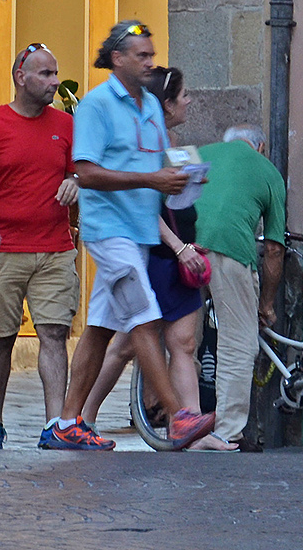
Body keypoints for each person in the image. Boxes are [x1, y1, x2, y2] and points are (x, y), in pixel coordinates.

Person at [47, 21, 215, 451]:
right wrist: (154, 179)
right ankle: (178, 416)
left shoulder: (151, 107)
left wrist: (186, 174)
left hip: (139, 233)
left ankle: (68, 422)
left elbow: (160, 159)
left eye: (151, 55)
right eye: (141, 56)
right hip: (111, 232)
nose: (149, 62)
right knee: (143, 316)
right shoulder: (97, 106)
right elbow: (85, 173)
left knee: (101, 328)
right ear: (117, 58)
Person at [79, 67, 233, 449]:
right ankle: (83, 417)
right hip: (154, 251)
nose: (189, 101)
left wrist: (192, 181)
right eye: (183, 96)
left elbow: (174, 200)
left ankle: (194, 430)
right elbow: (143, 206)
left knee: (182, 344)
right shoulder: (139, 139)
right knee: (126, 342)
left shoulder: (171, 140)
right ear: (165, 103)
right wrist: (178, 246)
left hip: (181, 252)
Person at [0, 42, 78, 450]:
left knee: (54, 334)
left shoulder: (66, 125)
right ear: (20, 77)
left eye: (55, 73)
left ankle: (54, 426)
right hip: (4, 250)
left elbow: (81, 174)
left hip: (55, 249)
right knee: (1, 338)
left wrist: (74, 183)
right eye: (45, 74)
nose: (54, 81)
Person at [193, 125, 286, 450]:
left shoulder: (201, 154)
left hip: (185, 248)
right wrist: (266, 304)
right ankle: (226, 431)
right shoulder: (267, 170)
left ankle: (185, 426)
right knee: (238, 344)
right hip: (230, 252)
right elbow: (274, 250)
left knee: (183, 343)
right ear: (260, 148)